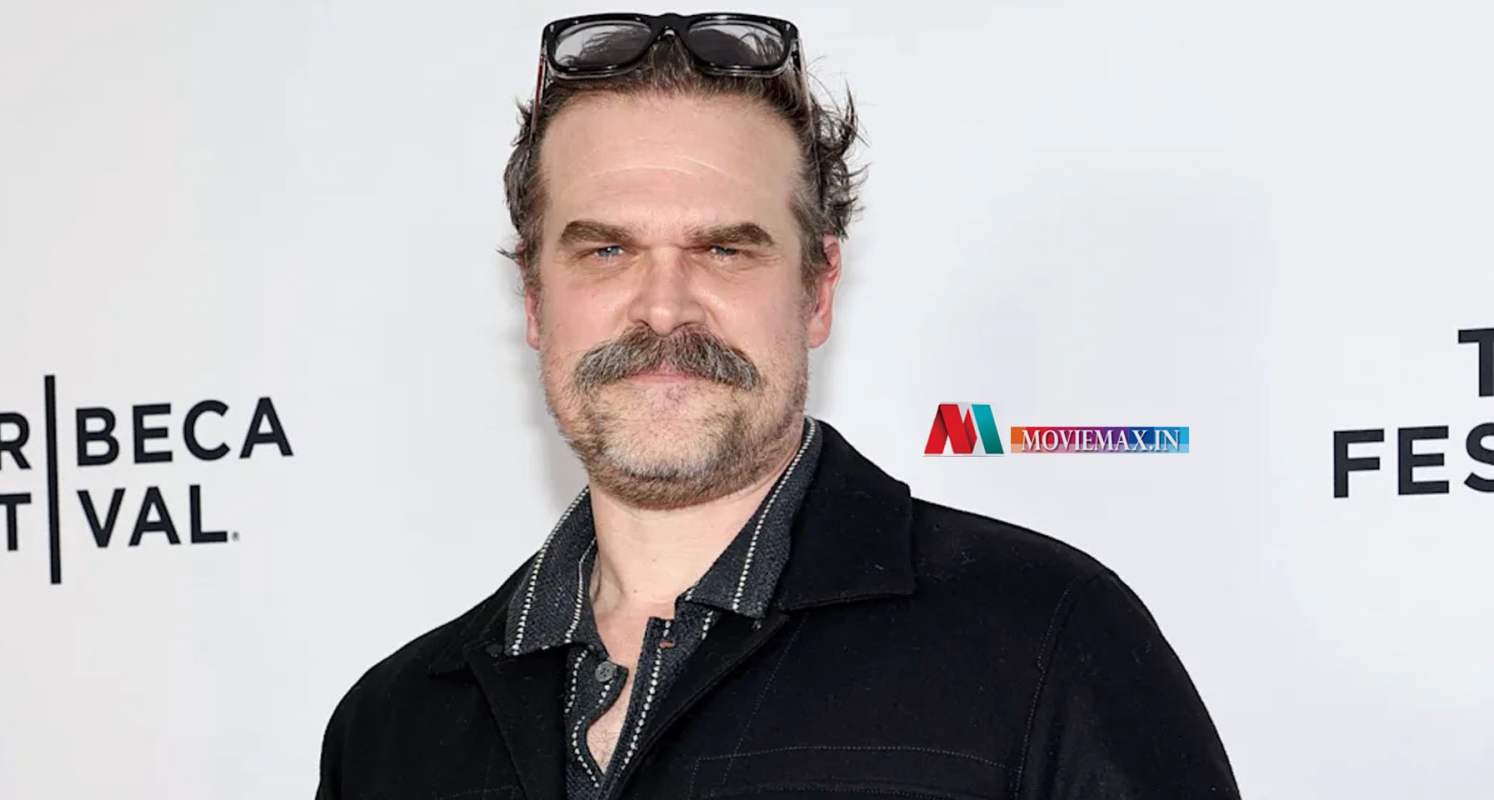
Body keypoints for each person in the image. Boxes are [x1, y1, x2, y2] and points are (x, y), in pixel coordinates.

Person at [315, 12, 1240, 800]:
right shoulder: (392, 727)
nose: (663, 308)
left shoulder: (1046, 643)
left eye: (725, 250)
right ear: (532, 299)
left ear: (817, 290)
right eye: (605, 251)